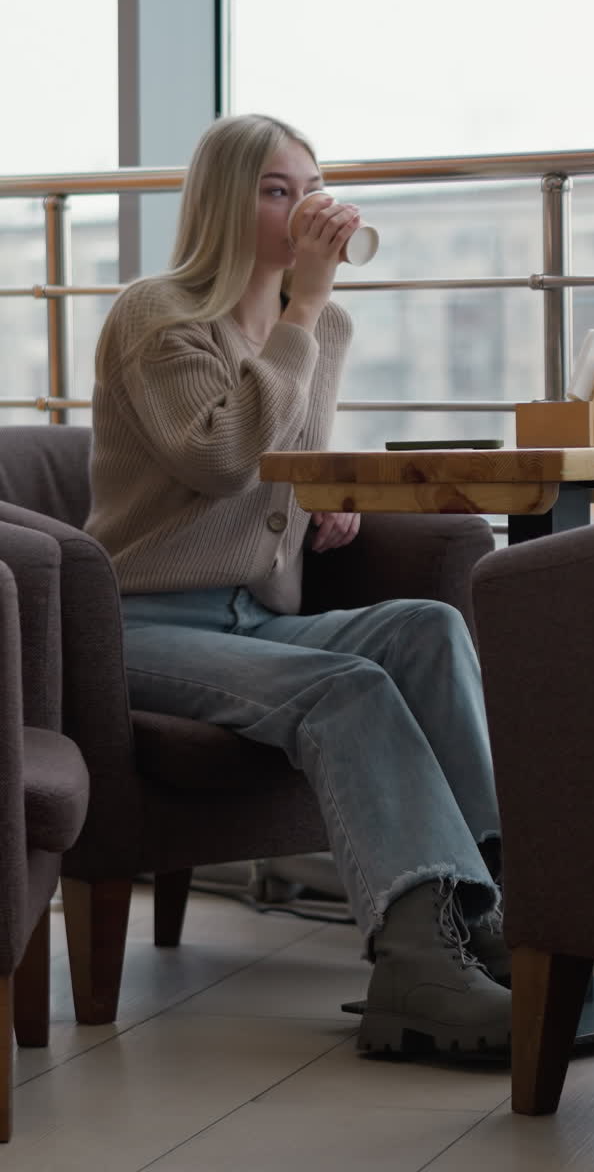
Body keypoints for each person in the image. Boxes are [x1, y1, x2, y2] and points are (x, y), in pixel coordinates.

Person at [85, 113, 511, 1059]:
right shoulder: (158, 316)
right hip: (140, 622)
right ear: (224, 204)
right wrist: (305, 312)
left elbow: (288, 459)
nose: (305, 208)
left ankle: (492, 917)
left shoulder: (321, 324)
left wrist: (324, 501)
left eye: (311, 188)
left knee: (429, 628)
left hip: (255, 618)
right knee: (346, 688)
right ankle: (416, 967)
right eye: (278, 190)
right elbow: (224, 457)